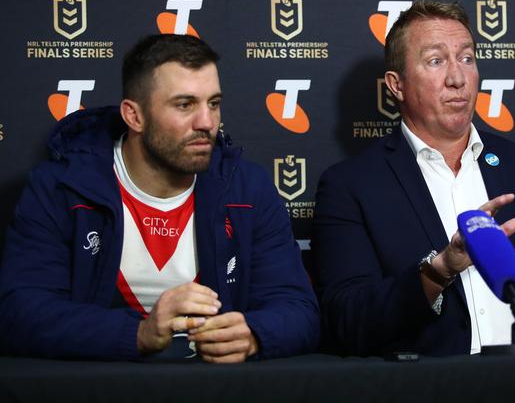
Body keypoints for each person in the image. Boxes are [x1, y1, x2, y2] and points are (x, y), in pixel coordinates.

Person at [312, 0, 515, 357]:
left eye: (467, 58)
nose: (457, 78)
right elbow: (348, 320)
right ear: (397, 85)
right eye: (436, 61)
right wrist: (437, 271)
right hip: (431, 388)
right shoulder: (351, 185)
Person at [0, 34, 319, 362]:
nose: (206, 123)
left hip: (214, 388)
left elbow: (299, 309)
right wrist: (137, 334)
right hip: (101, 388)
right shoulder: (60, 187)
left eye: (213, 103)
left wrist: (254, 334)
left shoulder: (247, 188)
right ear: (134, 116)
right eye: (185, 105)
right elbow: (19, 312)